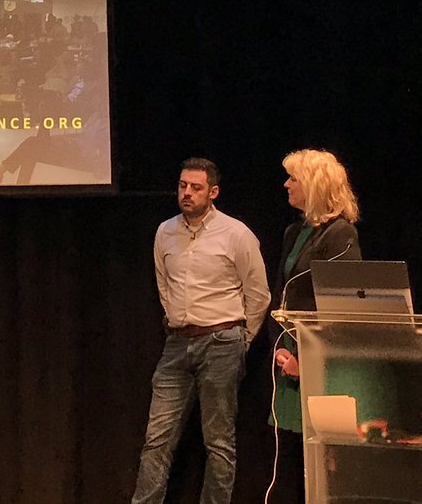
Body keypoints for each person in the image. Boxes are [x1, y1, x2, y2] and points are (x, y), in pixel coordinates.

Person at [132, 157, 271, 504]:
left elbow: (258, 295)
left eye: (196, 187)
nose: (187, 193)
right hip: (177, 343)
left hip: (222, 341)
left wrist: (240, 340)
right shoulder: (165, 231)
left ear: (213, 192)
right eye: (183, 186)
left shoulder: (236, 233)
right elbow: (164, 287)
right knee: (157, 439)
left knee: (218, 442)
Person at [267, 149, 361, 504]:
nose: (286, 184)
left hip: (321, 362)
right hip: (291, 352)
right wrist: (279, 345)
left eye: (294, 178)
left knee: (326, 459)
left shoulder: (341, 234)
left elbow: (343, 309)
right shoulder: (295, 232)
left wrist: (306, 361)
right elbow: (283, 292)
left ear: (315, 185)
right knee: (298, 456)